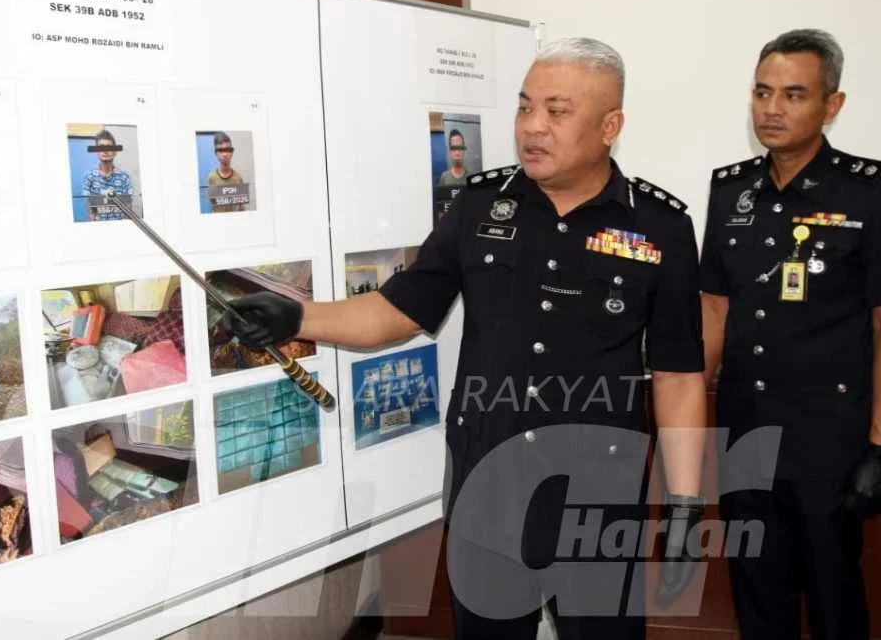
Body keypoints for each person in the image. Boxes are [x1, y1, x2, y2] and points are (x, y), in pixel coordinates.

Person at [221, 37, 708, 639]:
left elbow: (680, 376)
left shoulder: (658, 226)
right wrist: (295, 317)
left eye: (556, 112)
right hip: (489, 487)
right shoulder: (480, 207)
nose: (533, 127)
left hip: (598, 498)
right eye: (525, 107)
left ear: (611, 125)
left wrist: (687, 506)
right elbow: (395, 312)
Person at [700, 28, 881, 639]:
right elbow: (716, 309)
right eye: (761, 92)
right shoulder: (730, 191)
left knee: (834, 593)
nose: (772, 109)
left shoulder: (868, 191)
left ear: (832, 105)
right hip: (745, 427)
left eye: (794, 95)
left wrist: (880, 441)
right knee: (757, 589)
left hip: (829, 437)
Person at [80, 129, 134, 222]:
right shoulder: (89, 177)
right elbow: (91, 213)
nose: (105, 151)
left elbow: (128, 213)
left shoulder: (125, 178)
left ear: (115, 152)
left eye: (109, 147)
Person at [207, 131, 247, 213]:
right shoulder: (211, 178)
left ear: (231, 152)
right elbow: (212, 207)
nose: (224, 154)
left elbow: (242, 208)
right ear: (216, 153)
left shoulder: (238, 178)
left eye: (227, 150)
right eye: (220, 151)